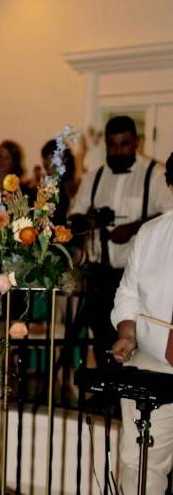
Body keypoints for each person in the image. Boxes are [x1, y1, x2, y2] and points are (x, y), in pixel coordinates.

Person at [70, 116, 173, 365]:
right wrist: (89, 220)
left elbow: (168, 213)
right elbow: (74, 216)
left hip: (139, 274)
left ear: (136, 142)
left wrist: (132, 228)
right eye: (112, 145)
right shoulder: (94, 177)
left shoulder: (155, 173)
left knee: (142, 338)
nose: (117, 151)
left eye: (123, 144)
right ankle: (108, 397)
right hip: (99, 272)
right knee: (101, 336)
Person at [109, 152, 173, 495]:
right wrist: (127, 330)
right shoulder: (151, 234)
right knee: (139, 466)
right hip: (155, 363)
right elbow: (129, 293)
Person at [39, 139, 77, 225]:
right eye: (45, 157)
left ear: (65, 159)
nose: (47, 161)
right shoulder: (47, 184)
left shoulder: (69, 185)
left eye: (52, 156)